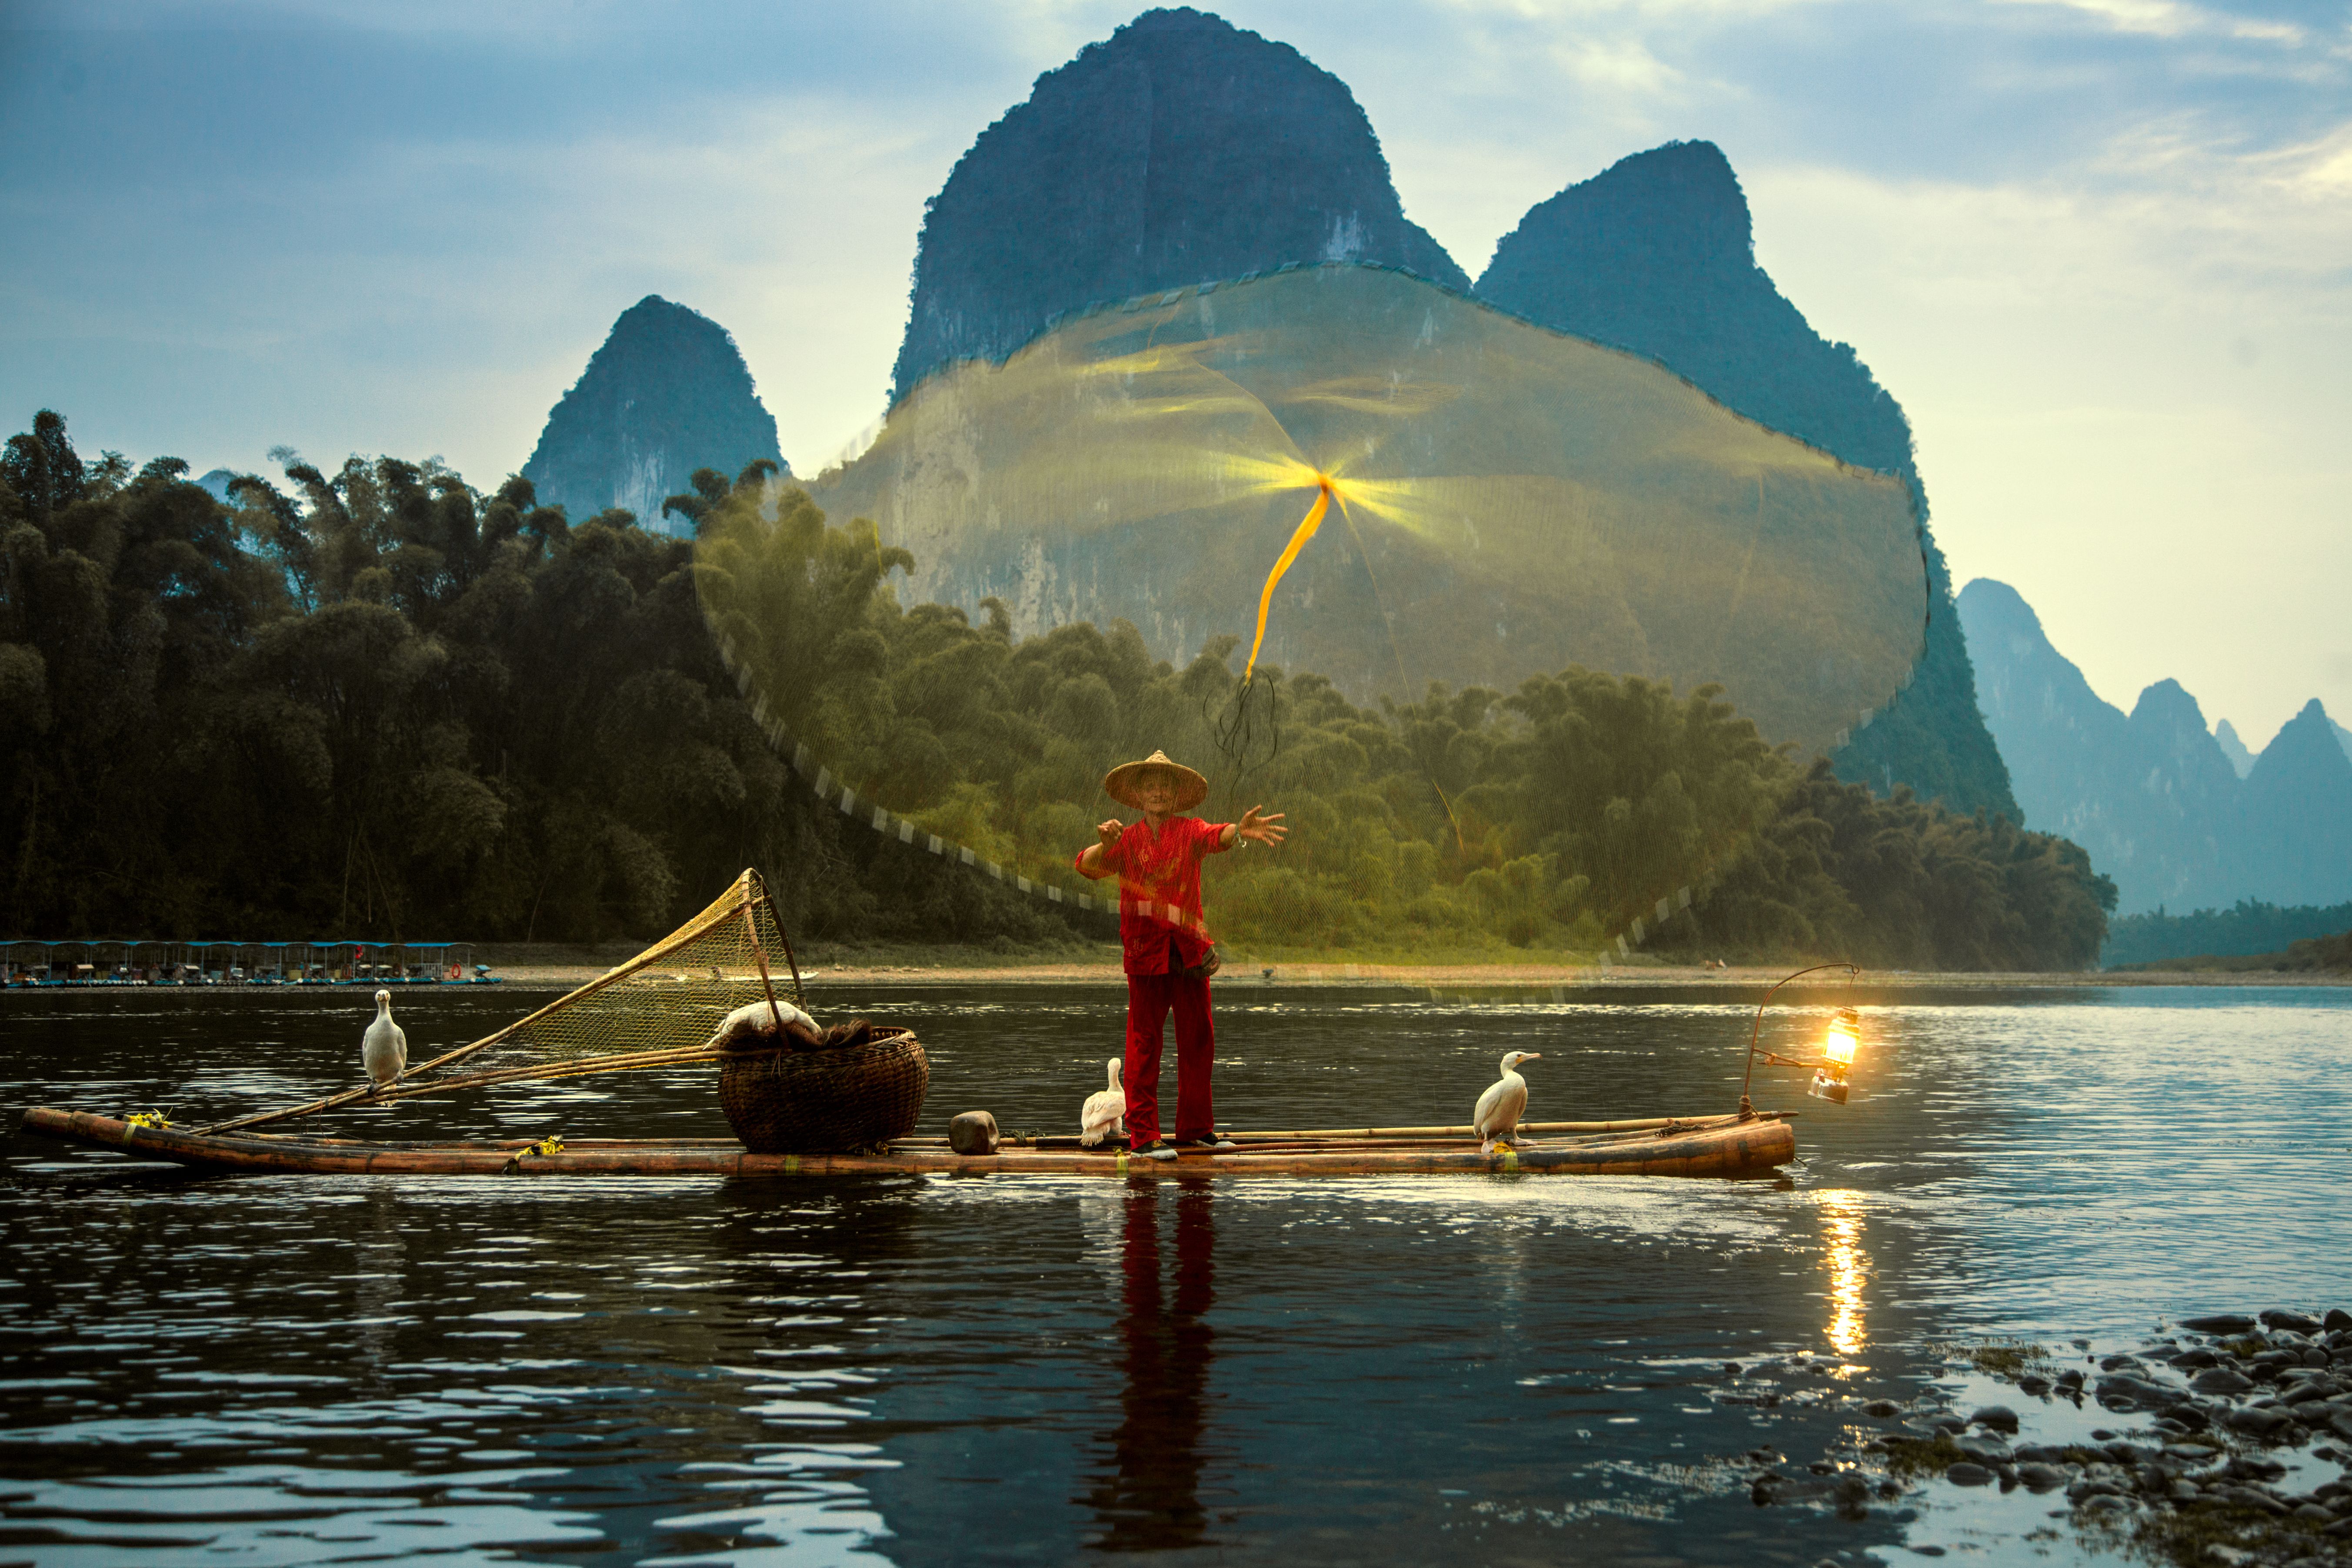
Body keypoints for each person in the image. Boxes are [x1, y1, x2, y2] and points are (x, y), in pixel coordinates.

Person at [1074, 750, 1286, 1161]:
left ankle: (1195, 1130)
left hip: (1189, 952)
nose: (1157, 792)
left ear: (1175, 795)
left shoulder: (1189, 831)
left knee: (1198, 1040)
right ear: (1138, 795)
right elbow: (1086, 865)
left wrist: (1239, 831)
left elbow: (1217, 835)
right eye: (1149, 786)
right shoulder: (1125, 839)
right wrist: (1104, 845)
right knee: (1144, 1043)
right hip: (1144, 953)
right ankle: (1144, 1136)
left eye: (1164, 786)